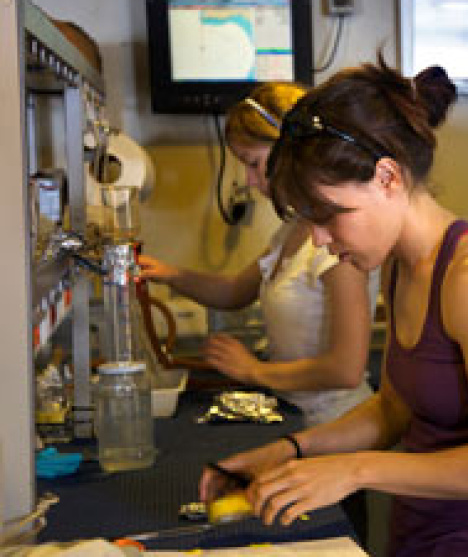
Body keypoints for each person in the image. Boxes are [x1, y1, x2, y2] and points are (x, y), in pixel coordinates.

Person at [199, 57, 468, 557]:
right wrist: (290, 451)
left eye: (329, 216)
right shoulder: (398, 266)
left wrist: (353, 470)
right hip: (418, 542)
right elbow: (393, 409)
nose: (319, 240)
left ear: (387, 177)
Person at [138, 82, 378, 542]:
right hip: (301, 426)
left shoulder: (334, 241)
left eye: (253, 163)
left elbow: (346, 368)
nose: (248, 180)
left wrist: (254, 371)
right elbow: (235, 290)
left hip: (339, 433)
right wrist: (167, 273)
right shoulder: (292, 231)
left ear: (292, 153)